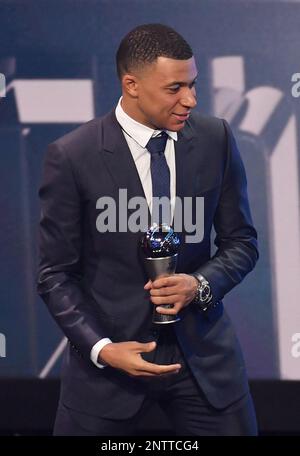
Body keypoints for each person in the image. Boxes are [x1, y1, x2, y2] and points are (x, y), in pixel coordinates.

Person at [37, 23, 259, 436]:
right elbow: (55, 273)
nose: (190, 100)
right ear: (132, 84)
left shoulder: (216, 139)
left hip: (206, 367)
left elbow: (241, 242)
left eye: (193, 85)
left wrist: (199, 284)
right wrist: (103, 349)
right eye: (175, 88)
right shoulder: (72, 155)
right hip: (109, 370)